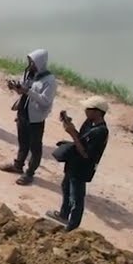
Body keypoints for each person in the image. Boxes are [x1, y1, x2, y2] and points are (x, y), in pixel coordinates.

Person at [47, 96, 110, 231]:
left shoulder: (101, 131)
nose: (85, 111)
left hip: (82, 168)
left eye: (88, 109)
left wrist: (72, 134)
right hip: (74, 162)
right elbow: (81, 139)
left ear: (97, 112)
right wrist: (69, 125)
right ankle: (64, 215)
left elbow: (86, 153)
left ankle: (72, 227)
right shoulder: (89, 123)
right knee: (66, 187)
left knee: (76, 198)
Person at [0, 49, 56, 185]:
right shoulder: (29, 74)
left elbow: (45, 101)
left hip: (36, 118)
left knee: (35, 147)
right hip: (23, 113)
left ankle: (30, 173)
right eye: (30, 62)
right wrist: (15, 87)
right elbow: (22, 90)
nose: (31, 65)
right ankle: (18, 165)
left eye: (33, 62)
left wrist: (28, 91)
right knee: (23, 142)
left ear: (40, 62)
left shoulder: (50, 81)